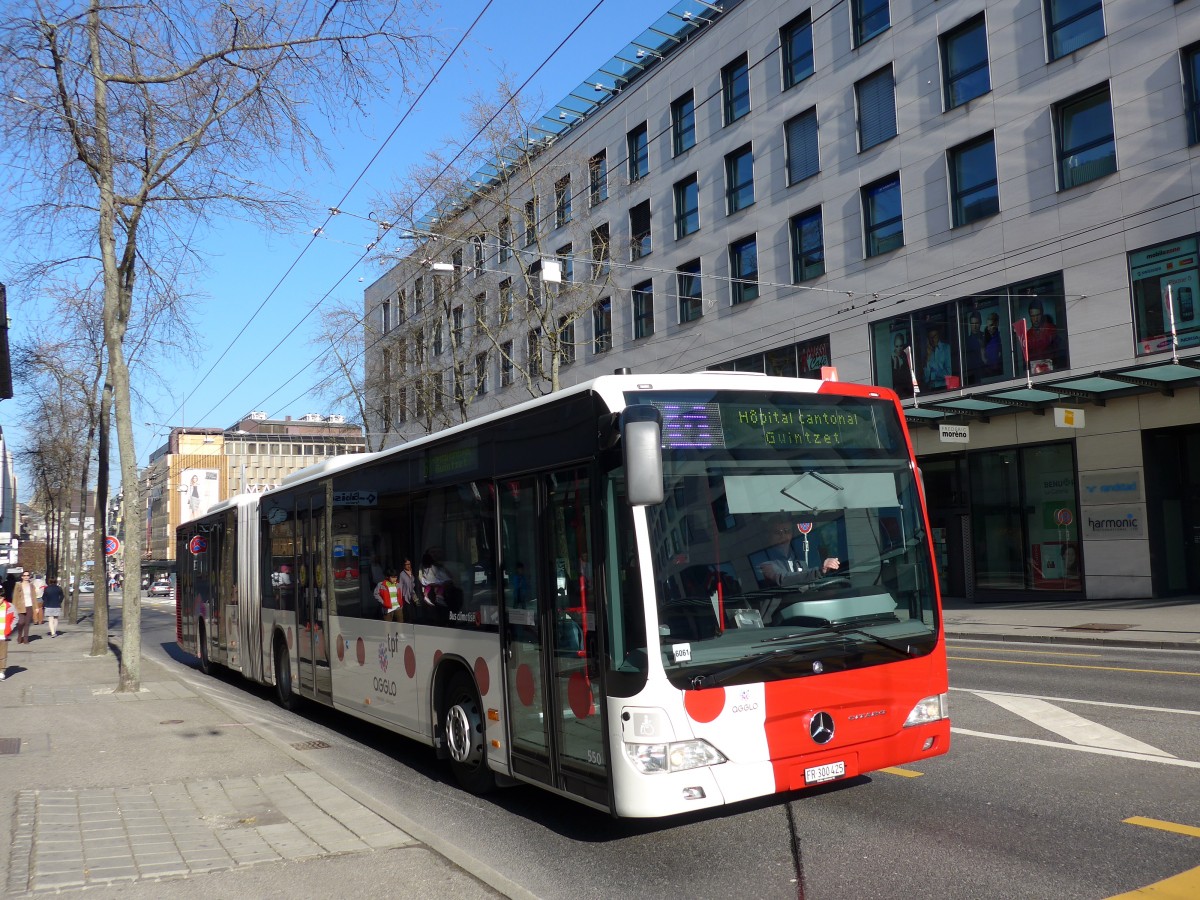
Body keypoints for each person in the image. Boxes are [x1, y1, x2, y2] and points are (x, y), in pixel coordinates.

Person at [756, 515, 840, 588]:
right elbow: (783, 579)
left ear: (792, 534)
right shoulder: (765, 561)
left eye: (787, 531)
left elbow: (808, 584)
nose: (783, 536)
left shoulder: (799, 560)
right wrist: (819, 571)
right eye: (777, 532)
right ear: (769, 536)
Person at [1025, 299, 1061, 371]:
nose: (1035, 319)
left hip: (1053, 367)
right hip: (1034, 370)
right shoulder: (1027, 335)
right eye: (1033, 316)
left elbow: (1059, 350)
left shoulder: (1052, 329)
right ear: (1030, 316)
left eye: (1038, 315)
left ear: (1042, 314)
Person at [11, 572, 34, 644]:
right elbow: (15, 596)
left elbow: (34, 597)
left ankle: (26, 639)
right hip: (20, 606)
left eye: (28, 575)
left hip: (29, 605)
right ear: (22, 577)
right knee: (21, 622)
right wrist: (14, 607)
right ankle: (19, 635)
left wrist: (36, 607)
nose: (26, 577)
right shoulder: (18, 585)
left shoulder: (31, 585)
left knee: (27, 623)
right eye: (24, 575)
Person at [890, 331, 914, 399]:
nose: (899, 349)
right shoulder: (891, 360)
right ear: (894, 346)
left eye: (901, 346)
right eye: (897, 346)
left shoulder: (906, 358)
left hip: (906, 392)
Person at [964, 313, 986, 383]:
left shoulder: (986, 337)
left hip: (988, 373)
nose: (975, 326)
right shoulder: (966, 342)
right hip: (974, 376)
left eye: (976, 323)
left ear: (980, 323)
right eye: (972, 323)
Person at [983, 313, 1003, 377]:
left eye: (991, 325)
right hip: (988, 373)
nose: (989, 328)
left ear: (996, 324)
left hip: (999, 372)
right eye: (987, 326)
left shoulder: (1001, 337)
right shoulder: (985, 339)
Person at [0, 590, 14, 679]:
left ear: (3, 598)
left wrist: (10, 628)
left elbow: (15, 618)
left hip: (3, 635)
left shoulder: (9, 607)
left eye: (0, 598)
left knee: (2, 654)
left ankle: (1, 671)